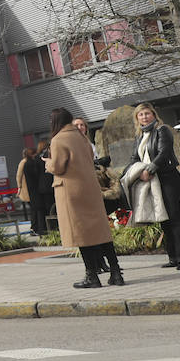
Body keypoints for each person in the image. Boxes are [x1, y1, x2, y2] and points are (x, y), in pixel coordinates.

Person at [43, 107, 125, 288]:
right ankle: (116, 272)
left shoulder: (58, 140)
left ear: (55, 121)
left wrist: (48, 163)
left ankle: (92, 276)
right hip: (91, 189)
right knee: (101, 232)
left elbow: (58, 167)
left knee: (81, 234)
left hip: (71, 192)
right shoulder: (82, 137)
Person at [121, 102, 180, 270]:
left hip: (167, 178)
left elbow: (164, 152)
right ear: (137, 118)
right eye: (141, 115)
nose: (144, 117)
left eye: (147, 113)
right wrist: (136, 172)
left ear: (154, 115)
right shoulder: (140, 136)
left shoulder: (162, 130)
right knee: (164, 219)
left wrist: (150, 169)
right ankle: (174, 257)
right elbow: (134, 158)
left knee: (174, 217)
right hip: (150, 181)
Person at [16, 145, 49, 235]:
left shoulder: (28, 162)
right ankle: (35, 227)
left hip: (29, 189)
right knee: (35, 209)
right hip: (28, 190)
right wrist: (19, 187)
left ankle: (34, 227)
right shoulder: (26, 163)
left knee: (34, 209)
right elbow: (19, 175)